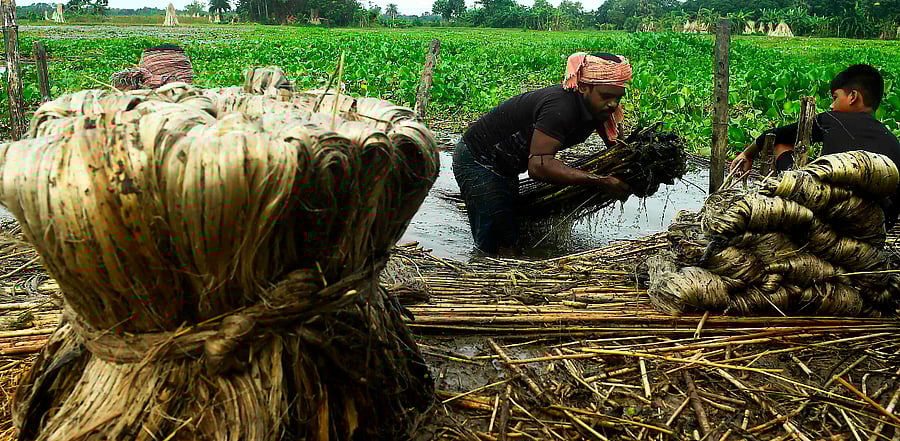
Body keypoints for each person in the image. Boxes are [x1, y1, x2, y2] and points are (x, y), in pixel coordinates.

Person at [452, 52, 633, 255]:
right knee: (497, 246)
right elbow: (538, 167)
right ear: (583, 87)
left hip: (507, 165)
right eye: (606, 96)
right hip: (479, 160)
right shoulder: (560, 108)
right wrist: (600, 181)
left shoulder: (599, 110)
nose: (613, 104)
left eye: (618, 97)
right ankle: (485, 277)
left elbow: (618, 148)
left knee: (508, 227)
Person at [731, 64, 900, 228]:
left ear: (853, 97)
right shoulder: (893, 140)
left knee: (782, 144)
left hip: (829, 212)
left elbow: (776, 134)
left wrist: (747, 154)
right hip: (876, 223)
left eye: (835, 98)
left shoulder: (831, 119)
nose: (832, 105)